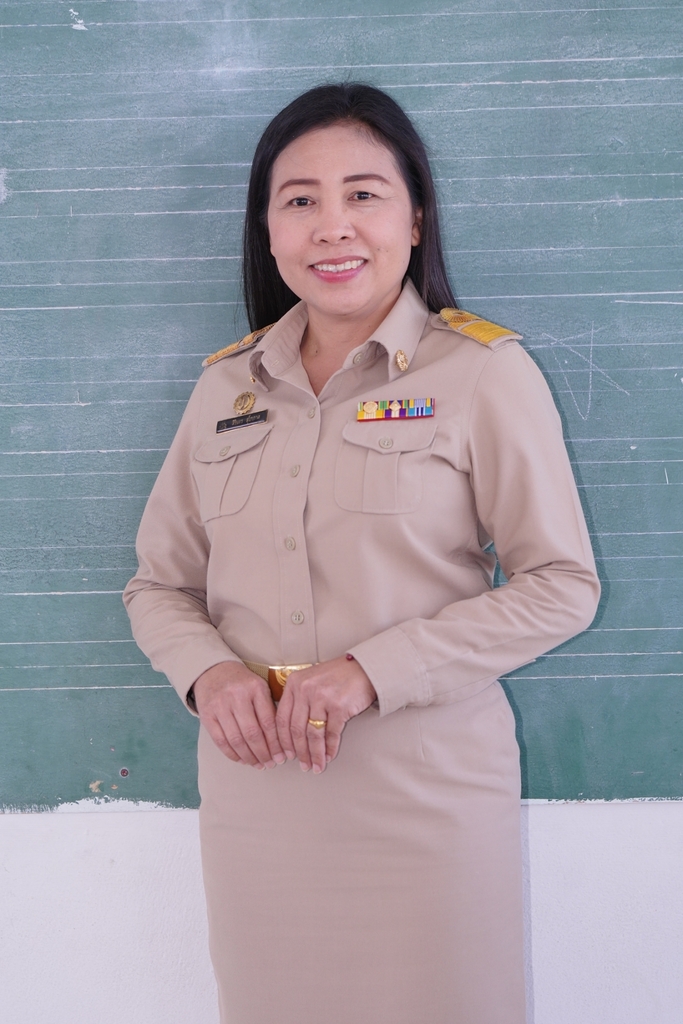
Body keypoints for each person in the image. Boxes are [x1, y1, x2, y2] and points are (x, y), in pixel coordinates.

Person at [123, 83, 600, 1024]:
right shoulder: (224, 389)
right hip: (259, 798)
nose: (332, 226)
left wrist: (369, 672)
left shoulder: (481, 372)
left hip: (426, 794)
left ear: (414, 219)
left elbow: (560, 586)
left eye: (364, 195)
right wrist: (209, 675)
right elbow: (158, 584)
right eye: (299, 199)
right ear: (267, 230)